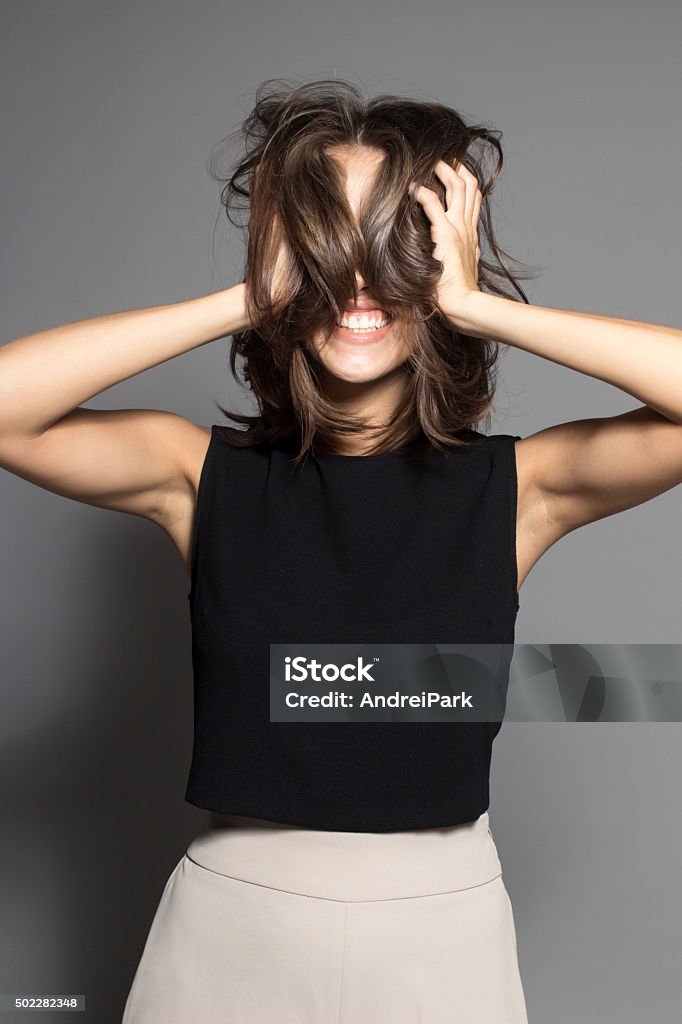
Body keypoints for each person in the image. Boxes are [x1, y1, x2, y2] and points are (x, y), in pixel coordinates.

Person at [1, 78, 681, 1023]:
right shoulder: (199, 476)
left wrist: (480, 309)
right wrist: (250, 296)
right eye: (327, 242)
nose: (357, 283)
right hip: (227, 929)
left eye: (391, 244)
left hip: (443, 933)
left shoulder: (520, 489)